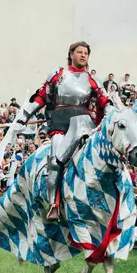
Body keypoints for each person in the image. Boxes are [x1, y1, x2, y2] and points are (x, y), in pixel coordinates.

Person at [13, 41, 113, 220]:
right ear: (71, 54)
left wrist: (112, 115)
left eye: (86, 53)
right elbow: (41, 96)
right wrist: (24, 117)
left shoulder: (92, 79)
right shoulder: (58, 75)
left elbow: (104, 101)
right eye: (80, 52)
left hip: (84, 124)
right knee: (56, 160)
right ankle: (54, 204)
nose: (83, 55)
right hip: (60, 122)